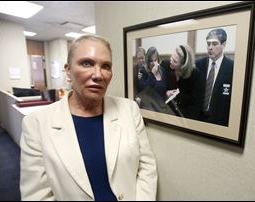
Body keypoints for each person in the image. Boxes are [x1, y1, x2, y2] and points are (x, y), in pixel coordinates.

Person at [20, 35, 158, 201]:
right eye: (87, 63)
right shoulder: (36, 124)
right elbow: (37, 195)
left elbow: (147, 167)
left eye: (106, 66)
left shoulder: (129, 110)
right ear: (68, 70)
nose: (98, 75)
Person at [195, 28, 234, 126]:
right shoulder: (198, 65)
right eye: (208, 44)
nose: (210, 47)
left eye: (214, 44)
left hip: (219, 121)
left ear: (223, 44)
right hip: (197, 118)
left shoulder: (232, 67)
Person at [165, 44, 201, 119]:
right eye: (171, 57)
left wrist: (177, 96)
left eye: (175, 61)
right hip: (168, 110)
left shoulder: (194, 74)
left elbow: (194, 100)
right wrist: (166, 92)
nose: (171, 61)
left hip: (185, 114)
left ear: (183, 65)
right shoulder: (165, 65)